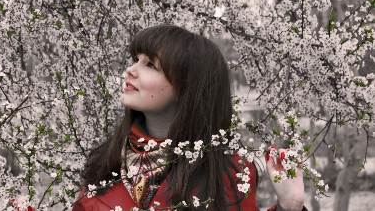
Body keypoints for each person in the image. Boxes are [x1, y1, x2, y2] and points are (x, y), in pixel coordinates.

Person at [72, 24, 306, 211]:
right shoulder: (103, 161)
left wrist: (290, 207)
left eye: (151, 65)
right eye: (135, 59)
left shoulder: (229, 172)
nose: (131, 70)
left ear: (187, 89)